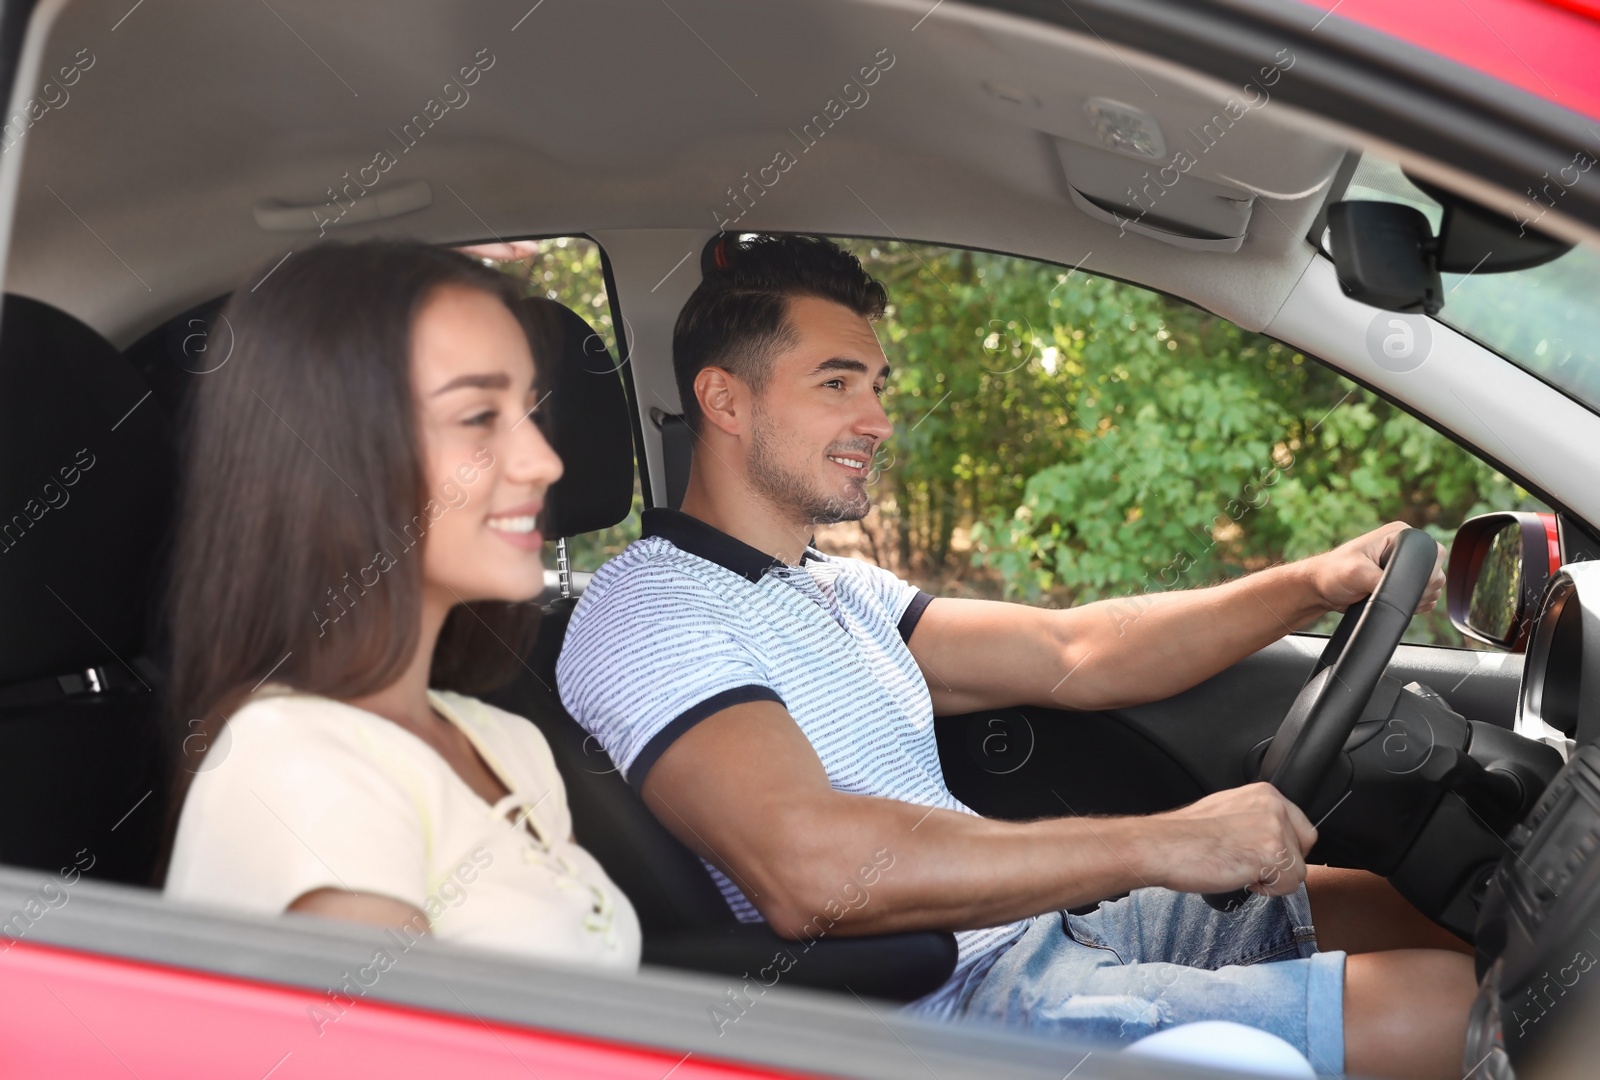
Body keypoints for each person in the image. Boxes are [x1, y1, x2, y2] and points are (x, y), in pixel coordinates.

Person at [557, 234, 1477, 1075]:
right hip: (957, 1009)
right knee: (1461, 1009)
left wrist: (1309, 584)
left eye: (878, 386)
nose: (877, 420)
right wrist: (1167, 842)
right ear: (723, 399)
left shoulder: (831, 586)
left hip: (1032, 936)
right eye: (836, 384)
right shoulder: (651, 605)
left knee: (1414, 910)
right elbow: (812, 871)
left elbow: (1076, 651)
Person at [163, 241, 640, 971]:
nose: (545, 460)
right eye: (480, 415)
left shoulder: (508, 744)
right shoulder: (294, 763)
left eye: (532, 410)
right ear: (332, 456)